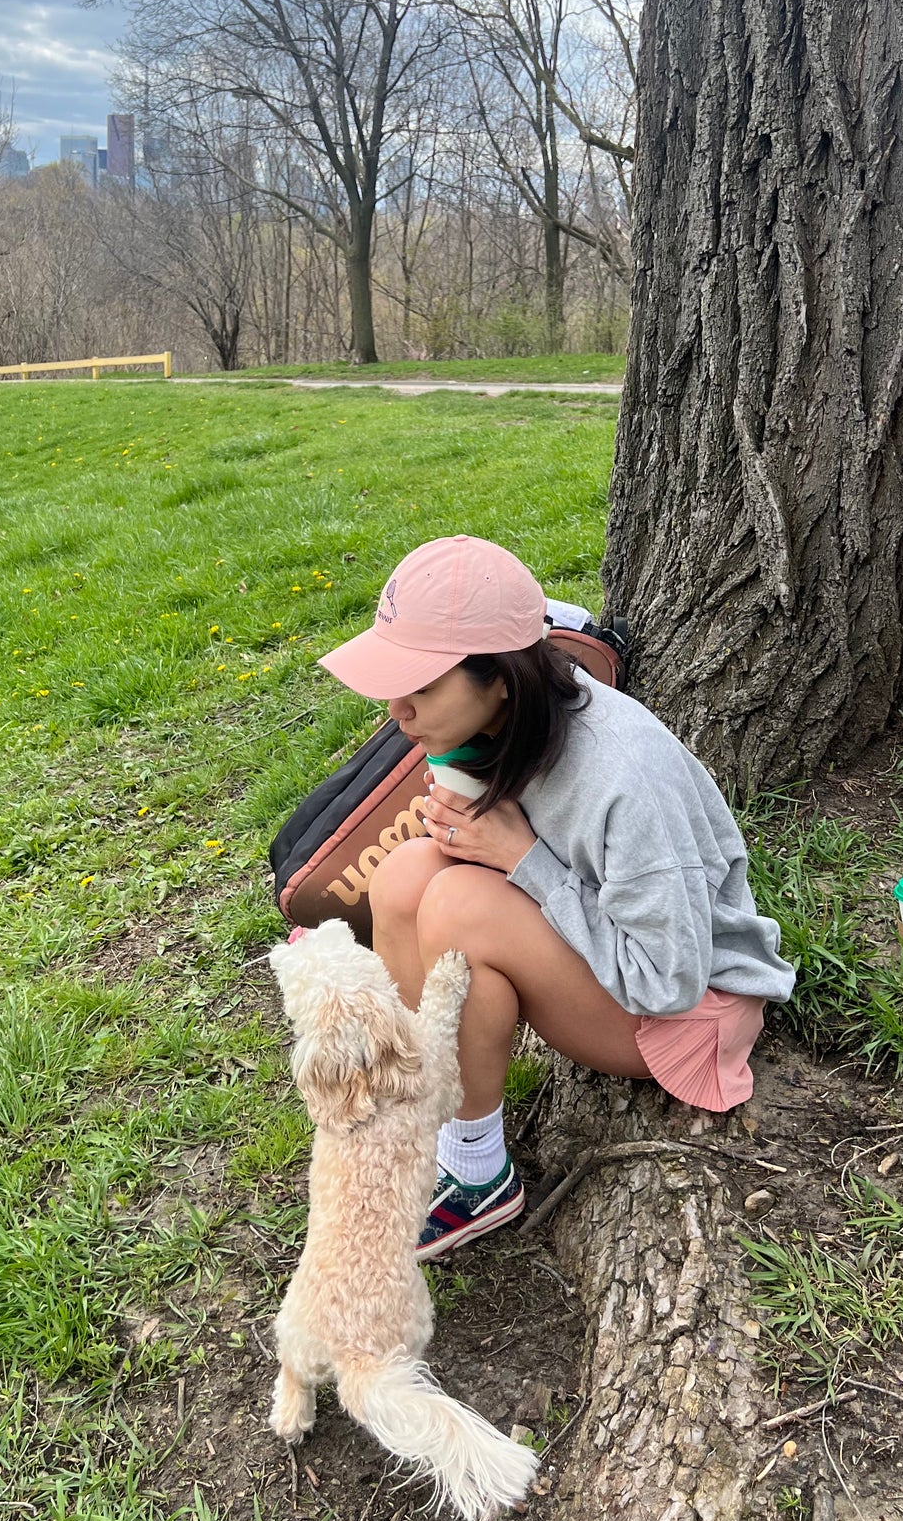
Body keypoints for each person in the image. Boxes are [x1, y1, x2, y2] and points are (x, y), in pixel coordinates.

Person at [317, 534, 795, 1259]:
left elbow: (667, 979)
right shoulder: (510, 719)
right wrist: (476, 834)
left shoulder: (618, 777)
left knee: (455, 907)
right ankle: (417, 1115)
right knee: (406, 874)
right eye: (393, 681)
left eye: (421, 686)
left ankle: (477, 1173)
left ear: (500, 676)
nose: (396, 709)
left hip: (690, 1016)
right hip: (615, 961)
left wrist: (521, 858)